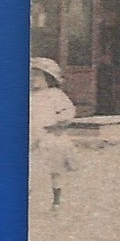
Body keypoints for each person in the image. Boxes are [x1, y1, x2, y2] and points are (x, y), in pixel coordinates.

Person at [30, 58, 77, 210]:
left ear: (49, 78)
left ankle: (56, 200)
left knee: (55, 170)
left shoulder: (55, 95)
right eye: (31, 75)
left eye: (37, 75)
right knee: (29, 169)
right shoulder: (29, 96)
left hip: (51, 136)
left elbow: (68, 112)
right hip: (32, 136)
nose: (33, 79)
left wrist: (58, 121)